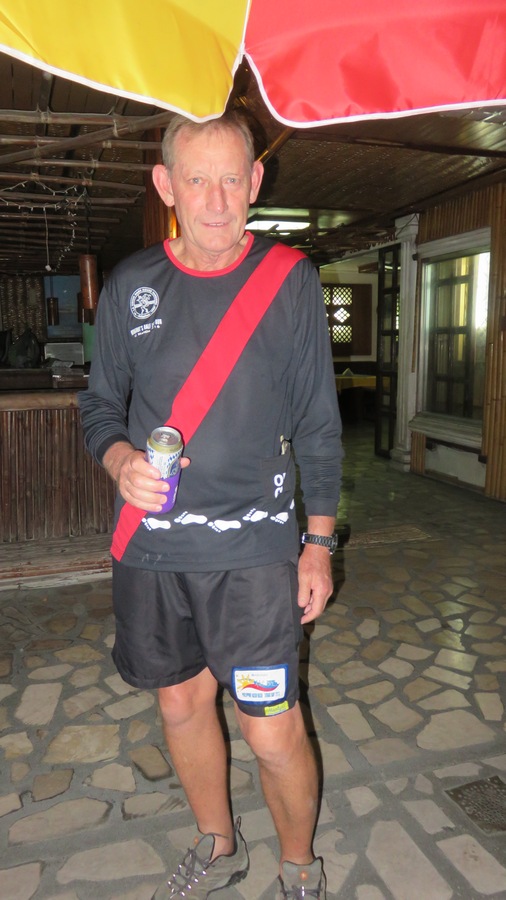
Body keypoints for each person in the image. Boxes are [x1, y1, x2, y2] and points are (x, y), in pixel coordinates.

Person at [79, 112, 342, 900]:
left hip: (255, 557)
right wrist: (121, 461)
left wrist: (318, 544)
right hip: (153, 552)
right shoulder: (130, 287)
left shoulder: (290, 281)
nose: (218, 201)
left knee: (271, 728)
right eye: (198, 180)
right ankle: (219, 844)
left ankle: (299, 866)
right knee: (182, 703)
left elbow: (318, 423)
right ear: (166, 185)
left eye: (232, 179)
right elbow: (100, 408)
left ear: (256, 181)